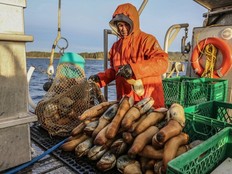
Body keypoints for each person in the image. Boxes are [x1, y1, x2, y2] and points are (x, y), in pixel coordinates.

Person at [89, 3, 168, 108]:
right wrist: (99, 79)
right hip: (124, 103)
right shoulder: (115, 47)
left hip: (148, 103)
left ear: (133, 23)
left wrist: (134, 69)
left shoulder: (147, 40)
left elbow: (162, 63)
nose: (123, 28)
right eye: (120, 25)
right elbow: (114, 71)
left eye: (126, 24)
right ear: (116, 26)